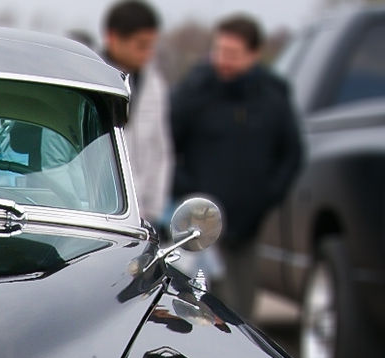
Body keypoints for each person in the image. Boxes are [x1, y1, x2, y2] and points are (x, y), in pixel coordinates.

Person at [170, 14, 302, 316]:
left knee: (242, 315)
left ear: (253, 55)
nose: (223, 61)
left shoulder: (273, 97)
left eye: (232, 54)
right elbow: (166, 149)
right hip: (200, 230)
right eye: (219, 51)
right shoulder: (194, 92)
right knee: (196, 312)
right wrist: (187, 193)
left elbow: (291, 154)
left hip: (248, 228)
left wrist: (268, 196)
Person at [101, 1, 172, 223]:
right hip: (100, 212)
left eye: (151, 46)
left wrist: (154, 211)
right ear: (113, 37)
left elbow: (161, 150)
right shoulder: (89, 80)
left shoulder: (155, 86)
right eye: (140, 45)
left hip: (143, 214)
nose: (147, 54)